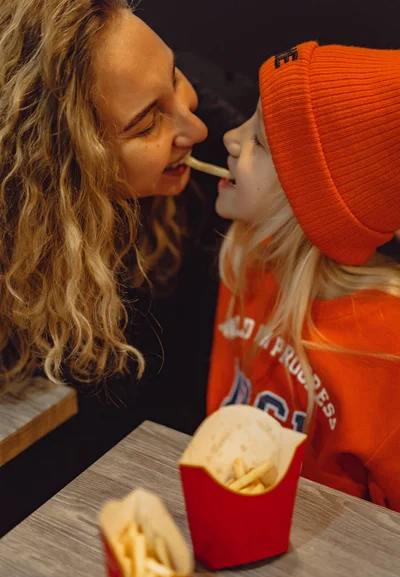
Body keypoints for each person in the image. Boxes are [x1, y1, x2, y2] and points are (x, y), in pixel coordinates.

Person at [207, 41, 400, 511]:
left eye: (261, 142)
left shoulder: (385, 343)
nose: (232, 137)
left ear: (312, 204)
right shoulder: (243, 255)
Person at [0, 0, 207, 392]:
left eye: (176, 77)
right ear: (61, 164)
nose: (197, 130)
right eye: (147, 125)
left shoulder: (223, 166)